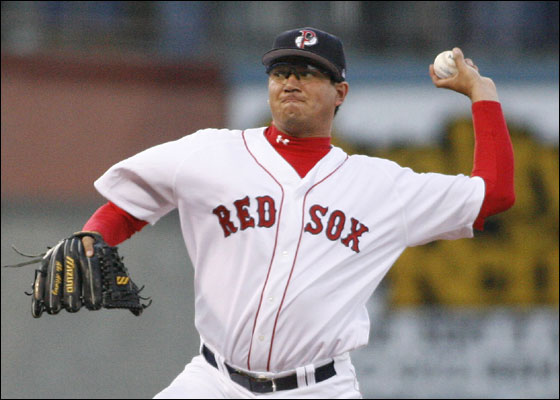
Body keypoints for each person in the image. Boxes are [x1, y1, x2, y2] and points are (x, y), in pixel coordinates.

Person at [79, 27, 515, 398]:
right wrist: (91, 238)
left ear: (339, 92)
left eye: (308, 73)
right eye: (281, 72)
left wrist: (482, 93)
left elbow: (493, 194)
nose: (291, 82)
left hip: (319, 388)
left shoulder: (382, 186)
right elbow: (129, 204)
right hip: (214, 381)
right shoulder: (211, 152)